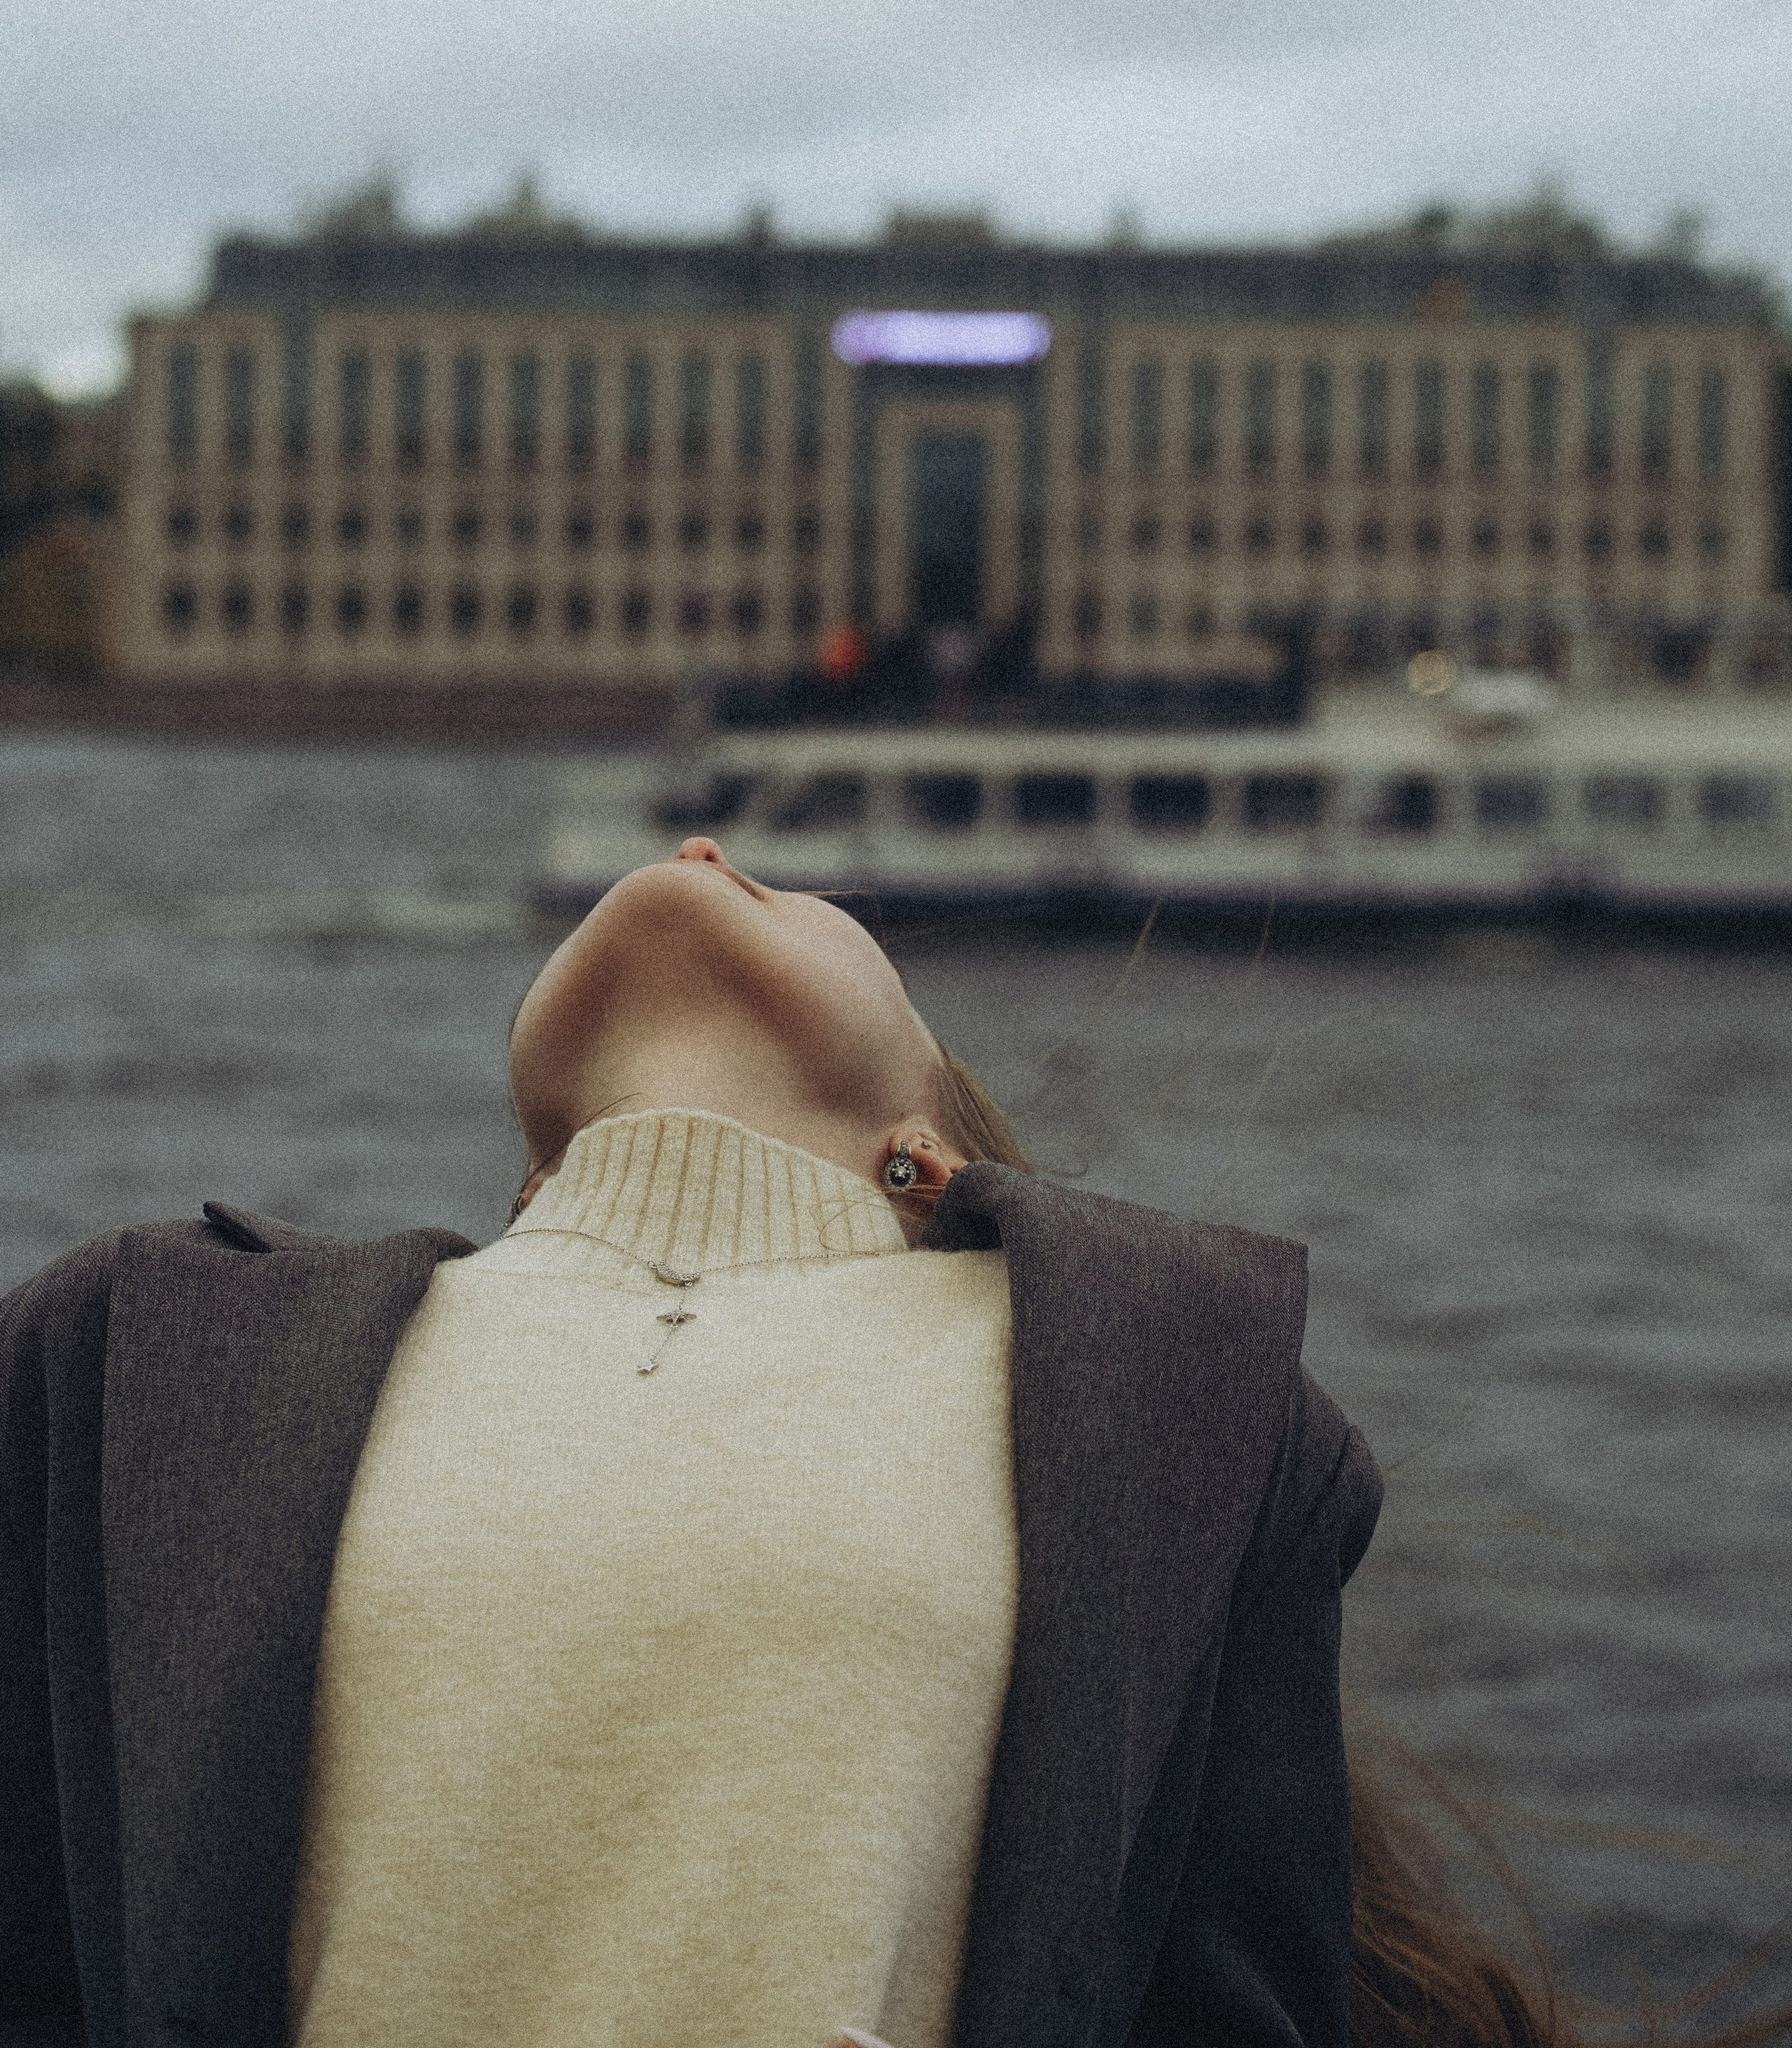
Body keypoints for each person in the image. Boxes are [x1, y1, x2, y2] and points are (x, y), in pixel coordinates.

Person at [2, 835, 1381, 2048]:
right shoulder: (125, 1345)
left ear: (935, 1156)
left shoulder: (1184, 1404)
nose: (700, 847)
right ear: (533, 1175)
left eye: (782, 886)